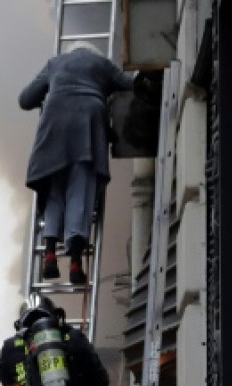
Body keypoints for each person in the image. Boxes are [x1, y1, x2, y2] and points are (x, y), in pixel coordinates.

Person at [19, 41, 138, 285]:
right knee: (80, 192)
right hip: (87, 129)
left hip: (53, 129)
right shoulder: (101, 64)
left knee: (54, 192)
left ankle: (50, 253)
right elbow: (131, 84)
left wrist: (48, 94)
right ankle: (75, 262)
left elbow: (25, 99)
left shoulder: (55, 64)